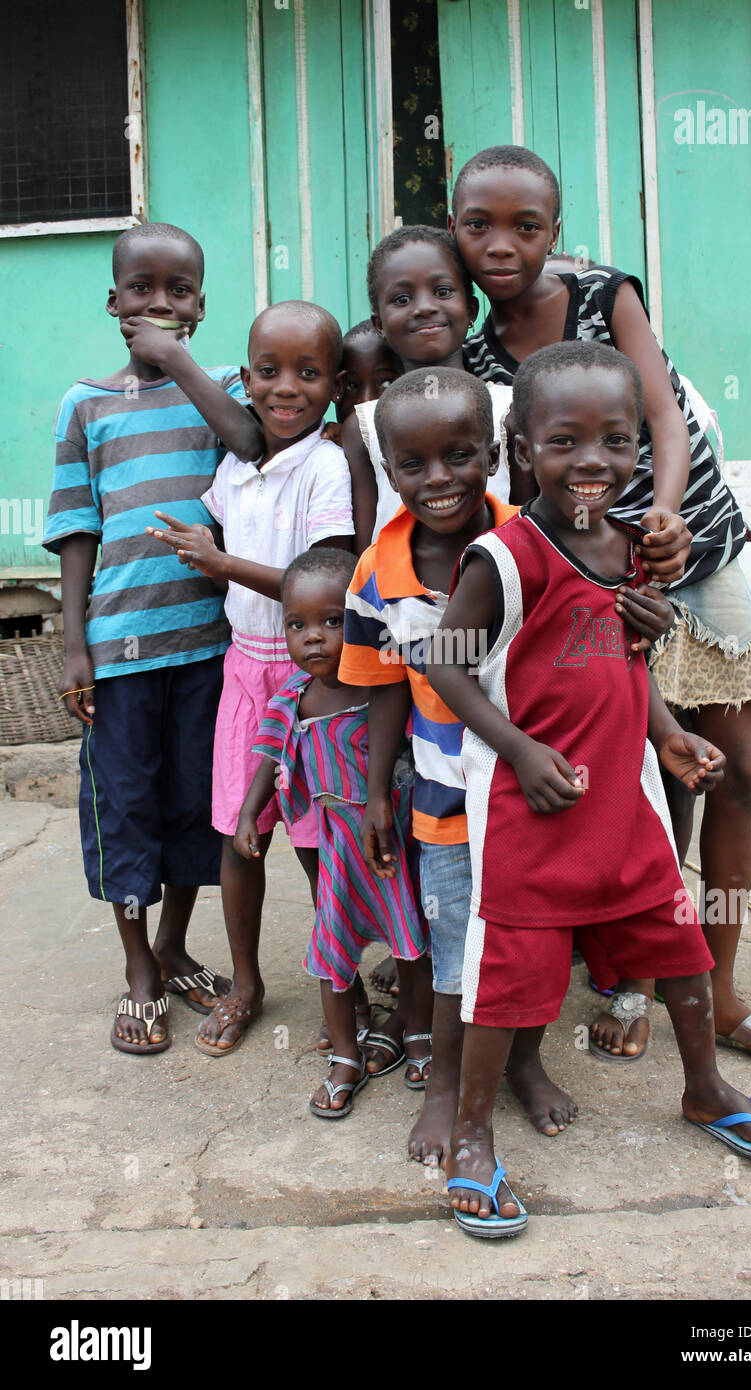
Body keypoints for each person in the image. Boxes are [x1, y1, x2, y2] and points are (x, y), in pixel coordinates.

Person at [451, 145, 751, 1075]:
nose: (501, 245)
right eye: (478, 226)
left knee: (738, 766)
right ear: (454, 233)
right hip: (586, 573)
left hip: (684, 539)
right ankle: (639, 976)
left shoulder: (604, 293)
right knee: (644, 775)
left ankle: (724, 987)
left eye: (525, 226)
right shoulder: (464, 340)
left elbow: (662, 410)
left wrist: (663, 514)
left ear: (556, 233)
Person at [428, 342, 751, 1237]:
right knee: (509, 973)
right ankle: (472, 1136)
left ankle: (705, 1089)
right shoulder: (504, 559)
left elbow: (631, 668)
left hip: (626, 804)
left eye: (616, 441)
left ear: (642, 448)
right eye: (565, 441)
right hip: (531, 810)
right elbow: (441, 665)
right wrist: (517, 751)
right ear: (522, 451)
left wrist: (670, 735)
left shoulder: (637, 554)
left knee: (679, 948)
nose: (592, 461)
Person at [339, 365, 673, 1161]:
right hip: (446, 800)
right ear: (388, 472)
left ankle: (524, 1064)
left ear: (495, 456)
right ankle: (451, 1089)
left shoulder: (541, 543)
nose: (439, 480)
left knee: (536, 943)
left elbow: (607, 648)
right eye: (412, 465)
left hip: (536, 797)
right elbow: (386, 688)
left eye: (459, 456)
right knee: (462, 947)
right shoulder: (375, 575)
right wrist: (376, 793)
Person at [43, 221, 264, 1053]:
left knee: (194, 808)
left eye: (179, 291)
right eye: (143, 289)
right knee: (124, 809)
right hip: (123, 652)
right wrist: (75, 646)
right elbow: (73, 530)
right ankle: (139, 967)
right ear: (114, 303)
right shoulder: (84, 406)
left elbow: (248, 443)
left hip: (210, 647)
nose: (160, 304)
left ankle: (174, 942)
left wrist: (180, 367)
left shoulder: (222, 389)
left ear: (201, 307)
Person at [146, 300, 365, 1057]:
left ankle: (346, 981)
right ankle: (247, 983)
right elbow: (218, 549)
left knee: (316, 843)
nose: (286, 389)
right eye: (268, 372)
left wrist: (224, 562)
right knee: (238, 838)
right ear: (245, 379)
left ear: (334, 384)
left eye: (308, 374)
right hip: (245, 671)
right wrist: (209, 554)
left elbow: (321, 586)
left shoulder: (328, 466)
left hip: (312, 687)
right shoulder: (236, 466)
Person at [234, 549, 430, 1115]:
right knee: (332, 955)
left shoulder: (384, 692)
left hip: (392, 845)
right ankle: (345, 1054)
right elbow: (270, 761)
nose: (313, 638)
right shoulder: (290, 700)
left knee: (412, 946)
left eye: (332, 621)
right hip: (338, 852)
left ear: (362, 622)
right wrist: (249, 815)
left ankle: (418, 1032)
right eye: (298, 625)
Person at [341, 226, 516, 555]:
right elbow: (366, 546)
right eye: (402, 299)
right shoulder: (362, 426)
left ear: (472, 311)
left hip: (502, 593)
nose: (423, 307)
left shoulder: (508, 409)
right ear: (379, 325)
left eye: (443, 292)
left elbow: (528, 523)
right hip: (397, 600)